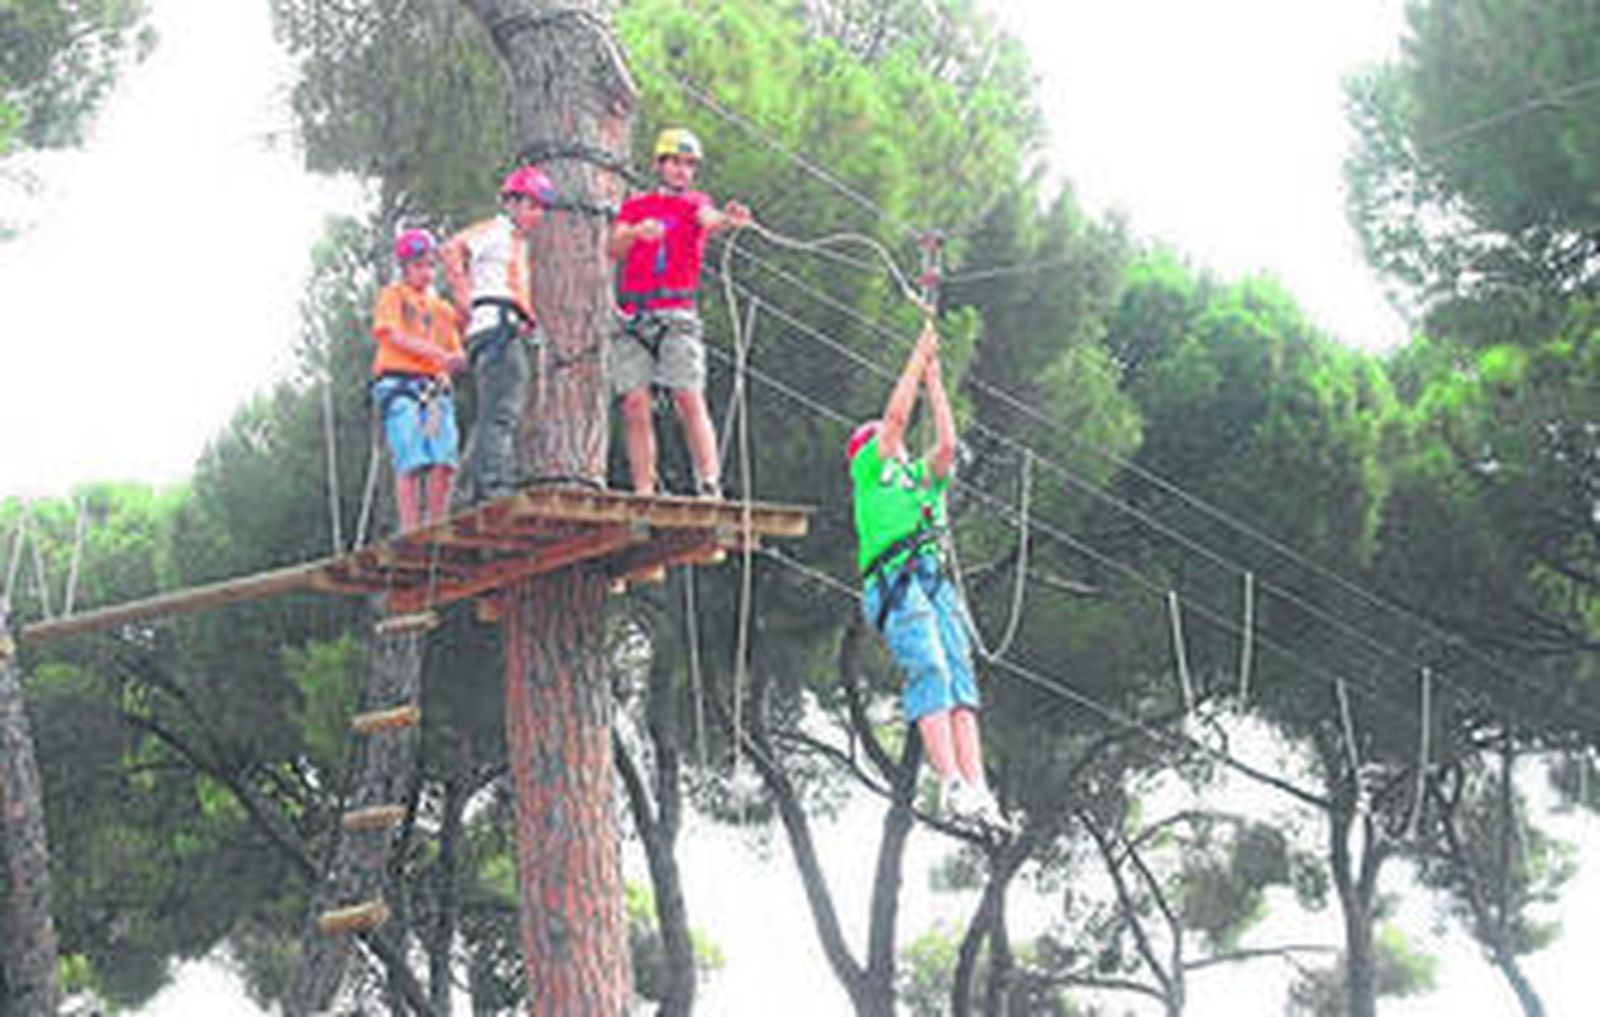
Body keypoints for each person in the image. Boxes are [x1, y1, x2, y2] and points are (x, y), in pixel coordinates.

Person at [848, 322, 1007, 828]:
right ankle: (950, 782)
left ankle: (977, 787)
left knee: (961, 683)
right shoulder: (870, 477)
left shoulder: (918, 480)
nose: (890, 440)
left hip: (933, 581)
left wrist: (936, 382)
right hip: (896, 583)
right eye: (879, 438)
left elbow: (946, 445)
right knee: (931, 669)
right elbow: (896, 419)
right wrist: (916, 359)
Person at [609, 127, 752, 498]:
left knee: (687, 396)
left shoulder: (694, 204)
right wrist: (637, 233)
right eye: (675, 162)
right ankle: (644, 488)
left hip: (676, 314)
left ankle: (709, 482)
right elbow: (614, 247)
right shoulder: (637, 206)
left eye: (688, 165)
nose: (681, 171)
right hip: (634, 315)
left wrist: (729, 220)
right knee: (635, 403)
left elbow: (710, 219)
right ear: (660, 165)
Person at [440, 165, 558, 503]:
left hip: (501, 326)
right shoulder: (496, 231)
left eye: (541, 208)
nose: (537, 215)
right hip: (497, 327)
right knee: (502, 412)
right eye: (532, 206)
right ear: (512, 203)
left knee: (493, 411)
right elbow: (451, 249)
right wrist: (463, 295)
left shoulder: (516, 243)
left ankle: (467, 491)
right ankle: (493, 486)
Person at [370, 228, 467, 532]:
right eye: (418, 265)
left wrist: (455, 359)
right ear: (404, 267)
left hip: (434, 389)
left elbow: (455, 349)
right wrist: (438, 354)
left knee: (443, 458)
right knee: (410, 457)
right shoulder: (394, 296)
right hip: (401, 384)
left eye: (429, 265)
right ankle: (411, 528)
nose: (425, 272)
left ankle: (435, 524)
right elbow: (392, 334)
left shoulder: (442, 310)